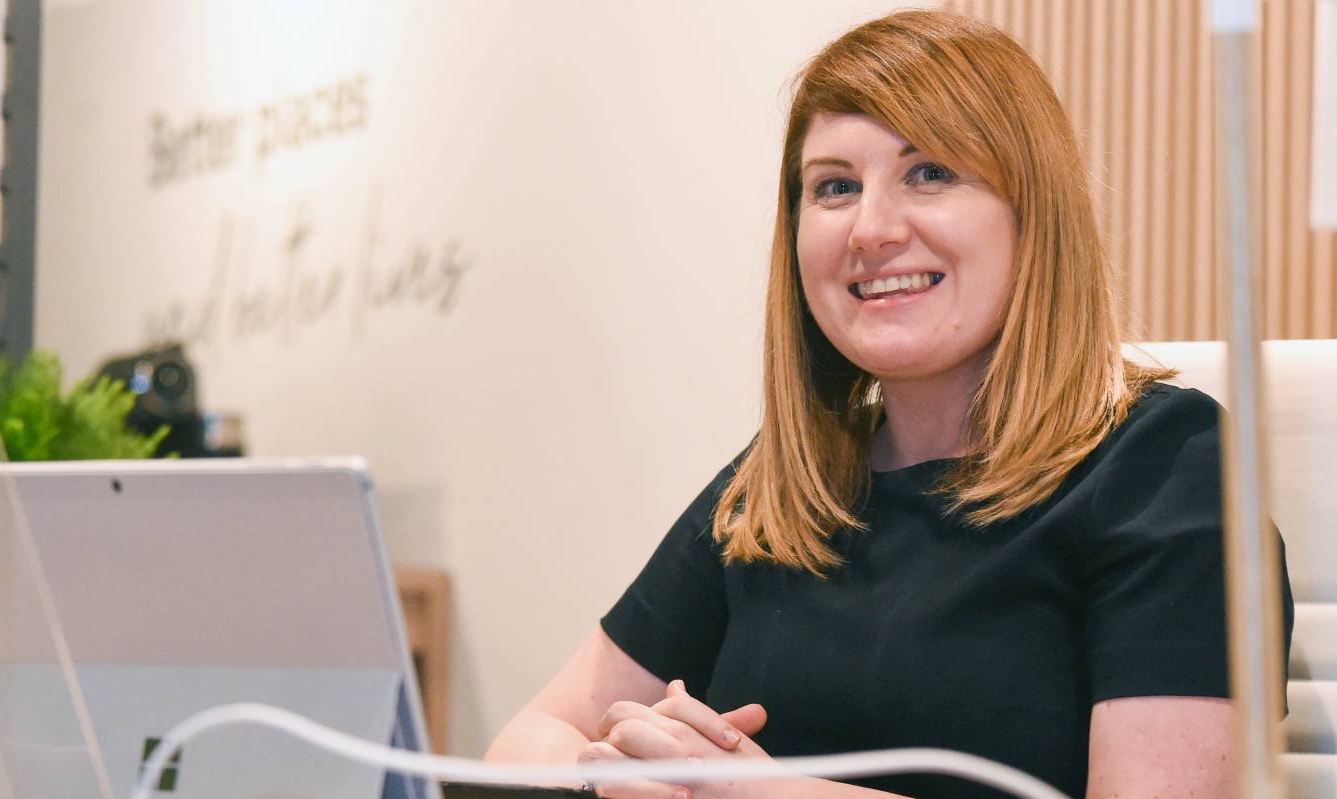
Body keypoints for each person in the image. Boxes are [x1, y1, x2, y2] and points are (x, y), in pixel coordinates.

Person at [483, 10, 1293, 799]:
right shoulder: (783, 487)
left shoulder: (1166, 470)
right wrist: (618, 776)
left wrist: (748, 789)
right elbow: (526, 743)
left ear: (1033, 214)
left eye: (930, 172)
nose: (870, 229)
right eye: (833, 187)